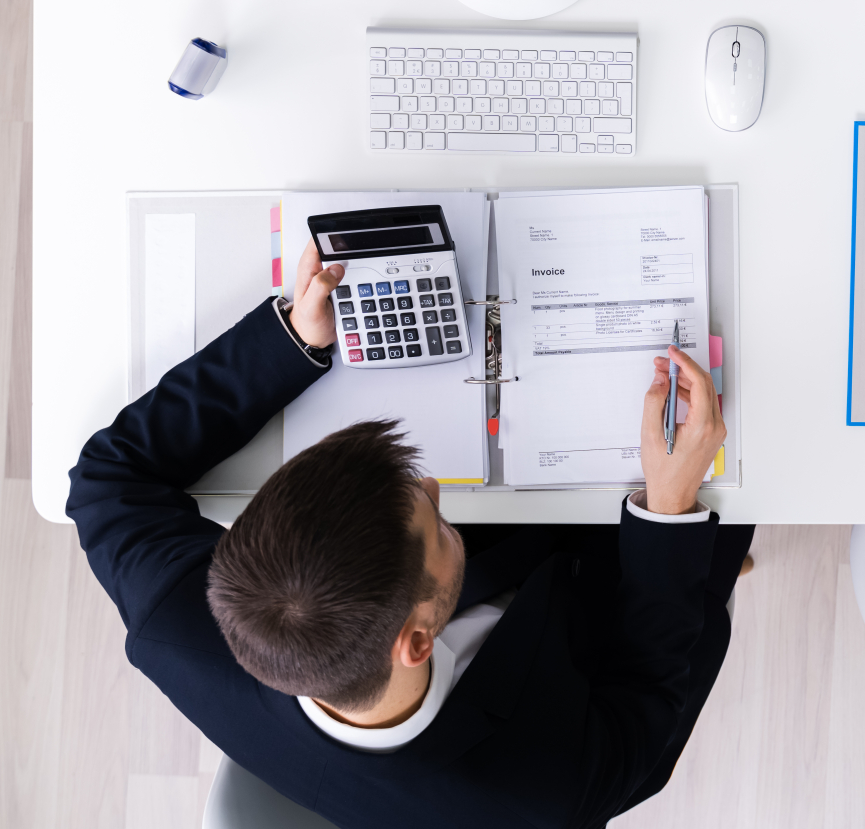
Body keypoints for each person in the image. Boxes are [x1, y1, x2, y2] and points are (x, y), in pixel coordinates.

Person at [69, 247, 751, 829]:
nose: (432, 490)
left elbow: (105, 481)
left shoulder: (182, 630)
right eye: (434, 521)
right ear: (418, 638)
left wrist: (294, 342)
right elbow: (644, 694)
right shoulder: (541, 793)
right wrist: (667, 513)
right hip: (610, 609)